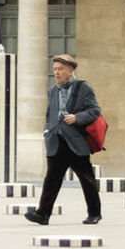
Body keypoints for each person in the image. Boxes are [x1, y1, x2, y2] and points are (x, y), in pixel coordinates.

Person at [23, 53, 102, 227]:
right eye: (55, 69)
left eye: (60, 69)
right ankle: (43, 214)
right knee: (51, 179)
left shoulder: (83, 88)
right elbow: (49, 114)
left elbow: (94, 111)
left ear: (71, 70)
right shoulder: (52, 91)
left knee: (86, 179)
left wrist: (77, 117)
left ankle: (94, 213)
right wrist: (47, 131)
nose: (56, 73)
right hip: (56, 141)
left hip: (75, 142)